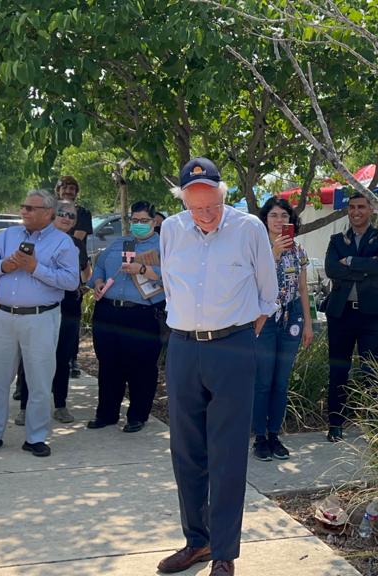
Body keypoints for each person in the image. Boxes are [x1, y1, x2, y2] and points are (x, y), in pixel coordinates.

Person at [157, 157, 277, 576]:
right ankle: (197, 541)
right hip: (184, 348)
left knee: (227, 453)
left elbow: (268, 292)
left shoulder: (249, 228)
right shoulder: (171, 230)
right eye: (196, 208)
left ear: (222, 197)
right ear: (184, 202)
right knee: (186, 452)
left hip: (233, 347)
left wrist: (246, 328)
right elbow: (171, 286)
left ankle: (224, 552)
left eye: (211, 206)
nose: (204, 216)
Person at [0, 190, 79, 458]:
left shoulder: (62, 243)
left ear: (48, 213)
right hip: (4, 316)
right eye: (23, 207)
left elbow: (71, 281)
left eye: (31, 208)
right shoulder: (8, 236)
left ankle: (35, 437)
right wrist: (4, 266)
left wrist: (35, 268)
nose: (24, 212)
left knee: (40, 380)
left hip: (41, 317)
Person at [86, 201, 164, 433]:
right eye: (135, 220)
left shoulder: (163, 246)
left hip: (141, 314)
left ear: (154, 222)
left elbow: (173, 277)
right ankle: (107, 413)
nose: (138, 225)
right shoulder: (119, 243)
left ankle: (138, 415)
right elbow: (99, 267)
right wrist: (98, 282)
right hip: (109, 312)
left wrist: (142, 269)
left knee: (141, 367)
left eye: (144, 221)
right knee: (109, 365)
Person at [323, 192, 378, 442]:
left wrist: (350, 262)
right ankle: (335, 424)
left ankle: (375, 428)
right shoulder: (336, 239)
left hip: (371, 316)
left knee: (371, 372)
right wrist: (365, 268)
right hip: (341, 315)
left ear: (370, 210)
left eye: (361, 207)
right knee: (338, 370)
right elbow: (331, 269)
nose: (356, 211)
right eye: (351, 207)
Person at [12, 201, 87, 425]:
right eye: (62, 213)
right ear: (52, 214)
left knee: (62, 358)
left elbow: (83, 272)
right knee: (31, 358)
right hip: (40, 306)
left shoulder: (76, 243)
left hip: (69, 307)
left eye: (71, 216)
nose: (66, 218)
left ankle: (61, 405)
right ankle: (25, 407)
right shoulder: (35, 240)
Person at [251, 198, 314, 461]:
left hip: (292, 318)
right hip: (265, 318)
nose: (280, 221)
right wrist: (274, 253)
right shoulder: (257, 248)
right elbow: (252, 283)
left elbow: (302, 289)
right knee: (262, 381)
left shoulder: (298, 250)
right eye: (274, 215)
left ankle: (275, 434)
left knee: (281, 381)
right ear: (265, 219)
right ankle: (260, 437)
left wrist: (308, 323)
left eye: (284, 216)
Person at [56, 176, 91, 379]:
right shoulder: (50, 209)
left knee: (71, 321)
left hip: (76, 263)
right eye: (65, 187)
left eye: (72, 188)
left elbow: (77, 237)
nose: (68, 190)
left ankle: (72, 359)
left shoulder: (83, 213)